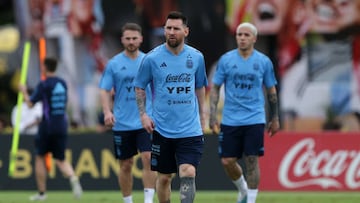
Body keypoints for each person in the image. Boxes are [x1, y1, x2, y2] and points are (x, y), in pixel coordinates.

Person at [135, 11, 208, 203]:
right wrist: (143, 115)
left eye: (176, 28)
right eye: (168, 28)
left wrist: (204, 115)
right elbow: (139, 87)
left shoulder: (197, 58)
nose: (171, 32)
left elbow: (200, 87)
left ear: (186, 31)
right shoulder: (152, 58)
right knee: (165, 177)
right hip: (162, 129)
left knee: (188, 171)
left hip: (190, 129)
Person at [209, 22, 280, 203]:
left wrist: (275, 117)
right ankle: (243, 189)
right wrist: (211, 114)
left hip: (254, 118)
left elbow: (271, 91)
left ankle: (251, 200)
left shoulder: (263, 62)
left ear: (254, 38)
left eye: (246, 35)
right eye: (239, 34)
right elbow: (215, 88)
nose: (242, 38)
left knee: (251, 160)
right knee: (227, 161)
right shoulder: (226, 60)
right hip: (230, 119)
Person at [98, 22, 156, 203]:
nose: (131, 41)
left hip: (145, 121)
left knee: (148, 158)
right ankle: (128, 201)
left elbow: (158, 89)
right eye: (128, 38)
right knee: (125, 165)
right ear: (122, 40)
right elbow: (104, 90)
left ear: (141, 39)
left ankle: (148, 200)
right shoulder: (114, 64)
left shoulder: (149, 61)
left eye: (134, 38)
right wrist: (107, 112)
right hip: (122, 122)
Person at [19, 57, 83, 201]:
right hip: (62, 124)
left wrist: (23, 91)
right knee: (60, 159)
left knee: (40, 156)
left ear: (45, 67)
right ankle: (73, 178)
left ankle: (42, 193)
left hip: (47, 125)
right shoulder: (63, 83)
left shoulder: (44, 84)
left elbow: (30, 104)